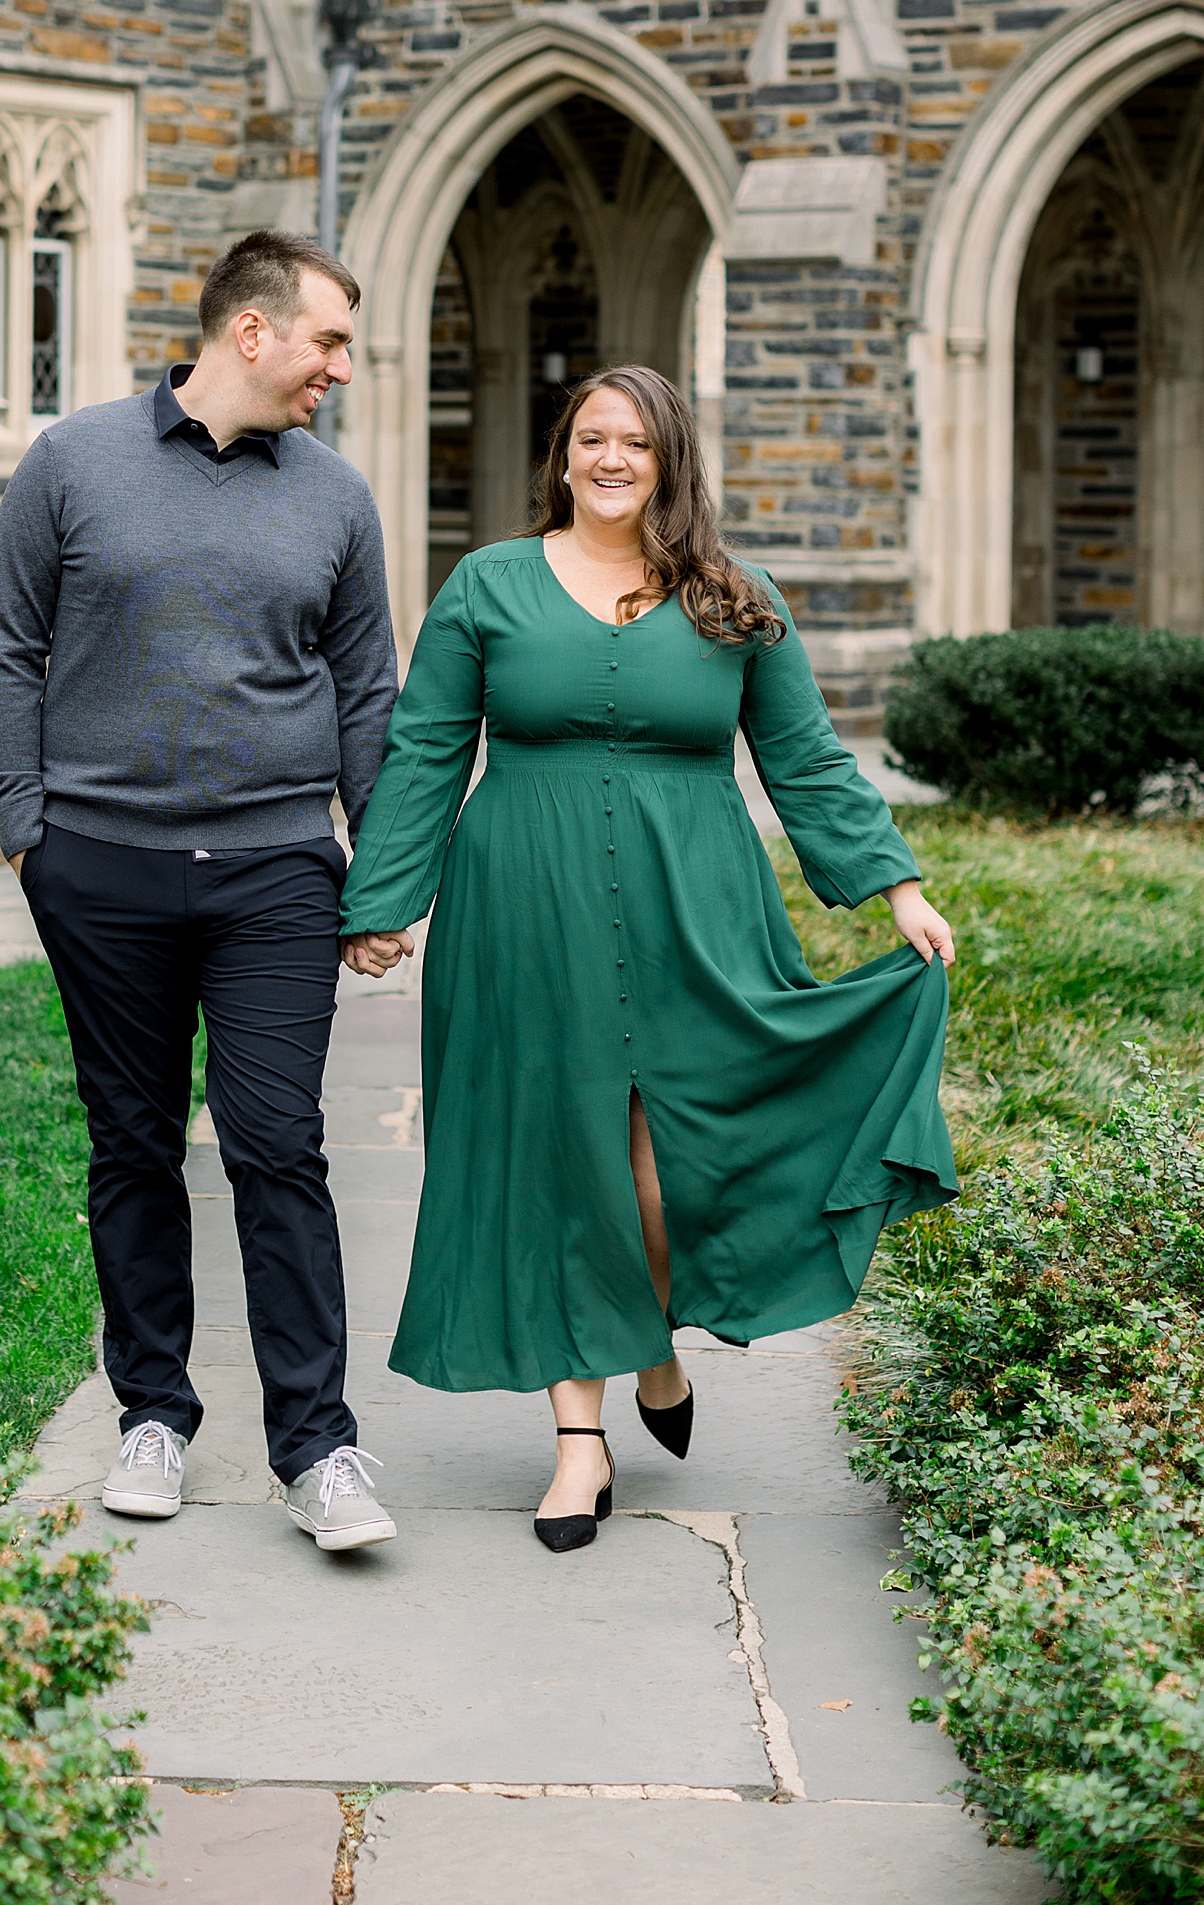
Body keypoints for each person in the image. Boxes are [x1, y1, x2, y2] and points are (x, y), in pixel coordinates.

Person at [338, 365, 957, 1553]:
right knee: (558, 1160)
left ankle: (656, 1345)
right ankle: (581, 1439)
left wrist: (898, 885)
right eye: (589, 437)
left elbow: (808, 758)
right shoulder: (490, 584)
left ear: (671, 459)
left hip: (698, 908)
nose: (610, 457)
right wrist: (384, 899)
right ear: (561, 455)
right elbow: (422, 747)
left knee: (669, 1169)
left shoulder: (734, 595)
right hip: (525, 905)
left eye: (634, 440)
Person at [0, 230, 401, 1554]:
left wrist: (378, 869)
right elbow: (10, 639)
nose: (341, 365)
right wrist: (25, 826)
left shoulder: (335, 494)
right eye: (329, 339)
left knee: (279, 1143)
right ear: (255, 333)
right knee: (133, 1144)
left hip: (277, 866)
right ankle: (152, 1413)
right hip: (99, 867)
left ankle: (317, 1446)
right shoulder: (72, 463)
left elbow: (367, 688)